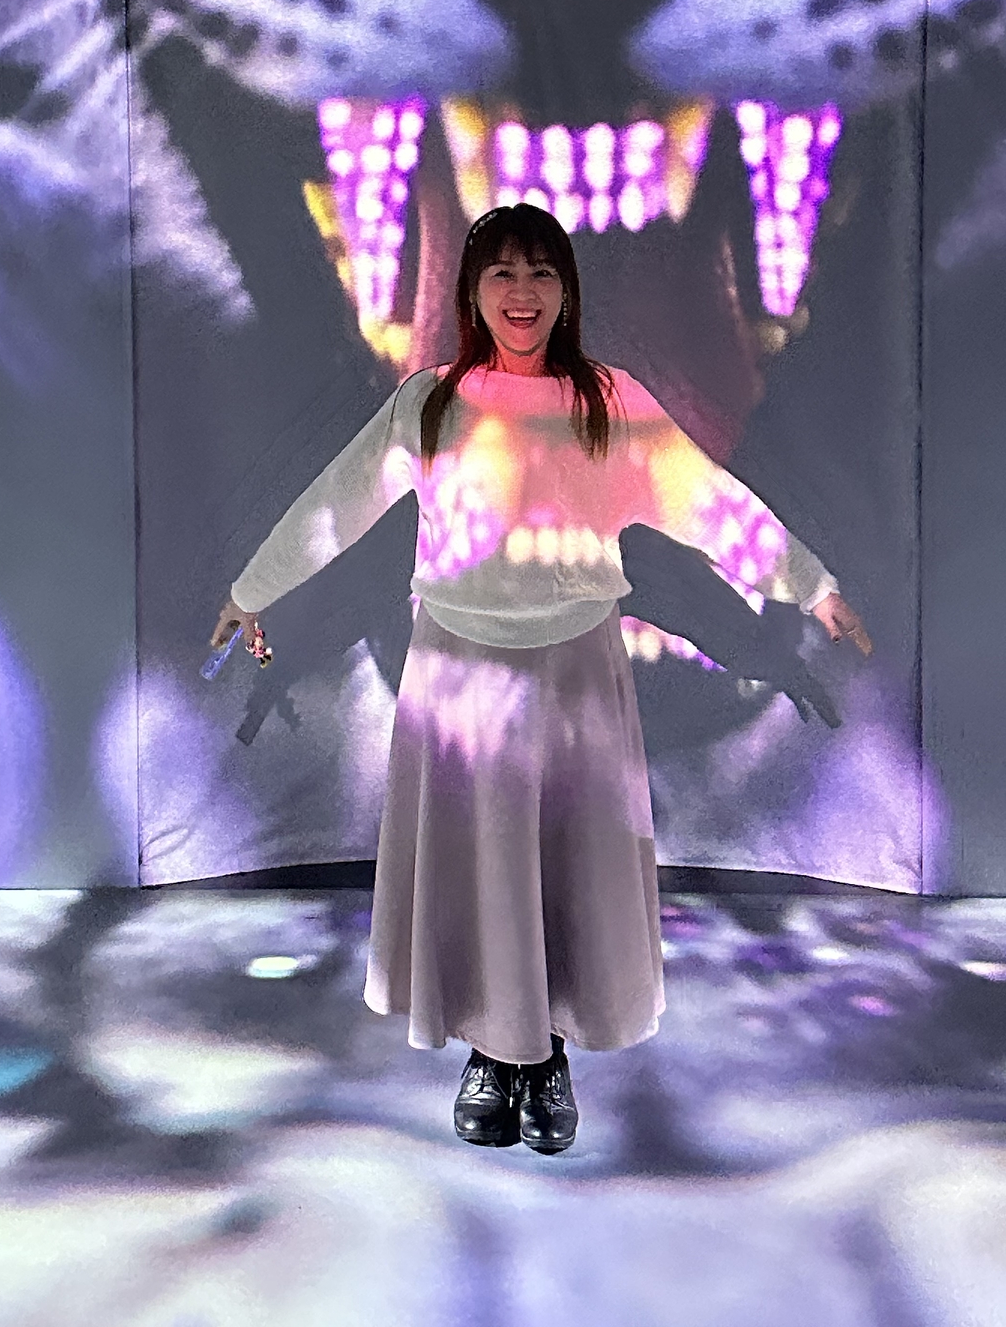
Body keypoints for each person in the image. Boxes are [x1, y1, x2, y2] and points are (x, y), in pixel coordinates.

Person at [210, 203, 871, 1155]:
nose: (522, 293)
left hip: (573, 676)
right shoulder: (428, 405)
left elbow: (712, 506)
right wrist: (253, 592)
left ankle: (544, 1054)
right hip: (457, 675)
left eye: (541, 273)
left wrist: (811, 586)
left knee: (563, 874)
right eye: (502, 273)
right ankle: (495, 1054)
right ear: (472, 290)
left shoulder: (610, 404)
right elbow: (335, 508)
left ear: (566, 289)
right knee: (477, 877)